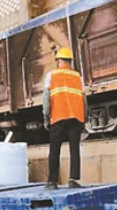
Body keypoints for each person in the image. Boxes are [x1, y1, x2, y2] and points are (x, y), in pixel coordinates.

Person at [43, 47, 85, 190]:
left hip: (58, 116)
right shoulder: (78, 77)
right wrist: (85, 117)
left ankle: (52, 182)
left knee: (55, 149)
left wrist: (46, 116)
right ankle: (73, 180)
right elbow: (84, 99)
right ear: (70, 61)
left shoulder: (51, 75)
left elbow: (46, 98)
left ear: (59, 61)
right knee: (74, 149)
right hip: (76, 117)